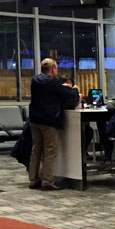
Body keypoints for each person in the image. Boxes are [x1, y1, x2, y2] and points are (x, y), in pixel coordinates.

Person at [27, 58, 80, 190]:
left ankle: (33, 180)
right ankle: (47, 181)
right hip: (49, 120)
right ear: (52, 69)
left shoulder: (34, 81)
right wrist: (74, 90)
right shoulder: (53, 83)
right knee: (50, 150)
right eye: (56, 68)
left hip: (34, 119)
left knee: (36, 150)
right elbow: (67, 95)